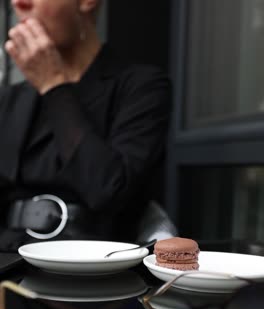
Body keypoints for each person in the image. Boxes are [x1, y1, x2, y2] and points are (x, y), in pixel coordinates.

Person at [0, 0, 171, 251]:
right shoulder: (10, 100)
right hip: (9, 261)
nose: (19, 3)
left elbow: (109, 192)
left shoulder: (141, 87)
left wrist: (53, 85)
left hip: (97, 268)